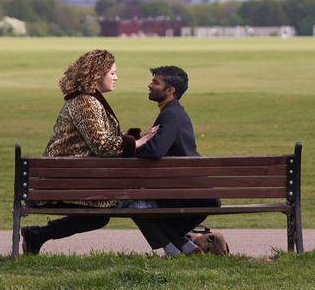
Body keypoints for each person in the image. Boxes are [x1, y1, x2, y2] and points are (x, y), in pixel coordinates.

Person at [21, 49, 157, 255]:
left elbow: (99, 137)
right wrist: (139, 142)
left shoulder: (88, 99)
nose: (116, 77)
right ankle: (178, 245)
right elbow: (102, 145)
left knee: (99, 215)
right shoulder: (85, 102)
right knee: (106, 210)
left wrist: (133, 136)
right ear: (96, 74)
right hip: (63, 182)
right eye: (112, 73)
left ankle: (37, 235)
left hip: (69, 178)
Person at [131, 65, 217, 256]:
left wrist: (132, 147)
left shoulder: (170, 115)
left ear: (170, 91)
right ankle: (184, 246)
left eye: (156, 82)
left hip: (190, 196)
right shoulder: (174, 112)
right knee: (137, 202)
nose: (150, 85)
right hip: (193, 192)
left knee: (131, 202)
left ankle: (175, 250)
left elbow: (155, 150)